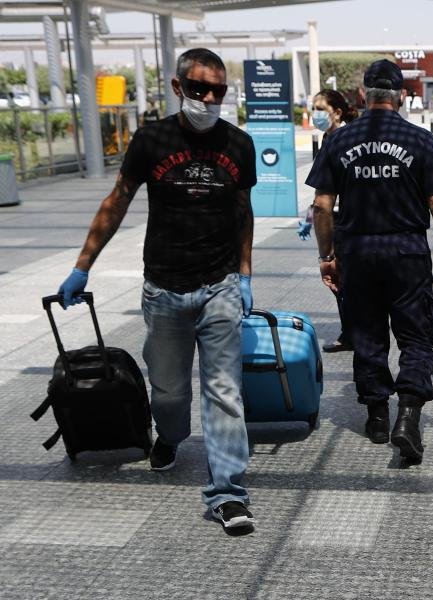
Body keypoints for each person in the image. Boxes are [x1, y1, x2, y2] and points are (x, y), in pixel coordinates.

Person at [56, 48, 257, 530]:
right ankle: (169, 434)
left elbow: (243, 211)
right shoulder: (152, 140)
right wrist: (83, 266)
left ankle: (227, 493)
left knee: (224, 391)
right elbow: (117, 200)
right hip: (164, 287)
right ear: (177, 87)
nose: (208, 98)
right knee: (168, 392)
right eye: (198, 89)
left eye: (218, 91)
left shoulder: (239, 144)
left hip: (220, 285)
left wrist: (246, 273)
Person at [305, 59, 433, 462]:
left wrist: (327, 255)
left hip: (357, 252)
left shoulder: (339, 141)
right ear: (401, 95)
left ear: (363, 95)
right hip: (406, 252)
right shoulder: (421, 140)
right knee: (415, 335)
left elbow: (322, 206)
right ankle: (407, 414)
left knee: (368, 334)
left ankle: (376, 416)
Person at [298, 89, 359, 353]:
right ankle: (354, 331)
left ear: (337, 112)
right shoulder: (328, 137)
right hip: (335, 218)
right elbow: (322, 193)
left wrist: (317, 215)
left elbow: (326, 197)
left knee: (341, 279)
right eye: (314, 107)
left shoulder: (343, 139)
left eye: (321, 108)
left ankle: (353, 334)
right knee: (342, 282)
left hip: (347, 223)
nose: (316, 114)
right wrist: (310, 217)